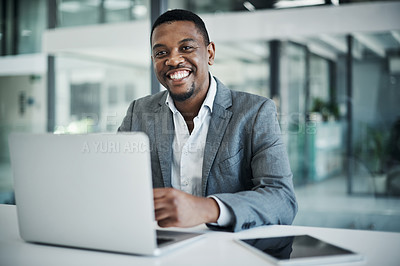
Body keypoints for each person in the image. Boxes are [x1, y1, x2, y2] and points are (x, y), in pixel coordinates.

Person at [118, 9, 297, 232]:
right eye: (161, 53)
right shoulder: (138, 112)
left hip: (229, 249)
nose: (173, 60)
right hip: (158, 245)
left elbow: (282, 199)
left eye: (186, 48)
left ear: (210, 53)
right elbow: (115, 183)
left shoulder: (255, 112)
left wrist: (208, 209)